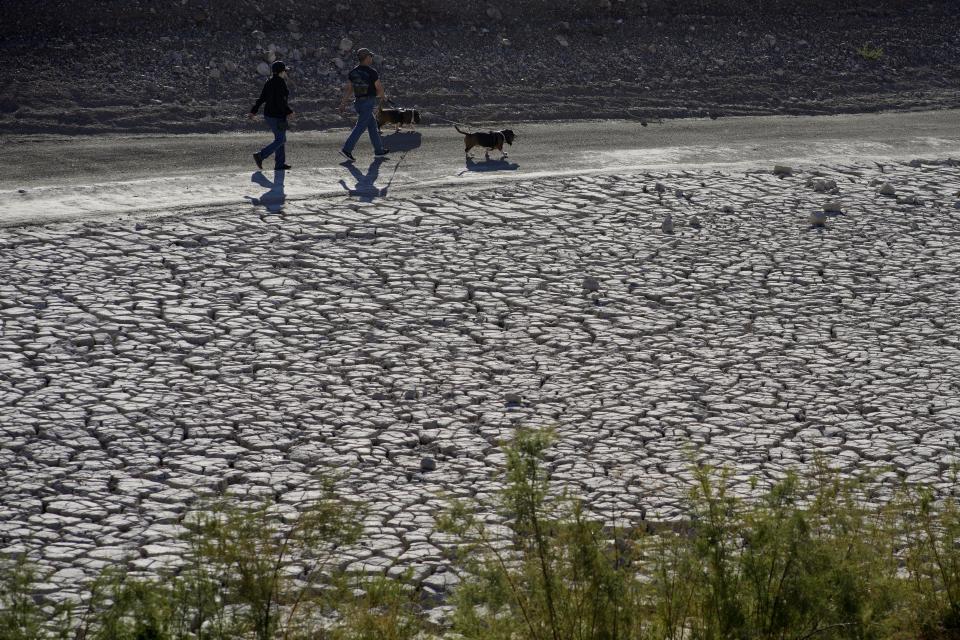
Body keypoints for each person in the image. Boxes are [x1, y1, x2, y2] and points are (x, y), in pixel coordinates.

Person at [338, 48, 389, 163]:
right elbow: (379, 88)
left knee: (372, 126)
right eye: (370, 56)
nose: (371, 58)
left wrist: (343, 104)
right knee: (360, 127)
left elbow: (349, 90)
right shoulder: (372, 72)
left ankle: (379, 151)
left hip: (358, 103)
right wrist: (382, 96)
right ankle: (346, 149)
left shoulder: (353, 72)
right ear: (366, 58)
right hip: (367, 103)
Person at [248, 60, 294, 171]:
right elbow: (281, 101)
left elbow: (261, 98)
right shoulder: (281, 83)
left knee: (281, 139)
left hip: (270, 115)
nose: (285, 73)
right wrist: (289, 111)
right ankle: (260, 155)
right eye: (284, 71)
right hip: (278, 116)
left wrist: (253, 111)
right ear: (281, 72)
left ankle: (279, 164)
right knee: (280, 140)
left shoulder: (269, 82)